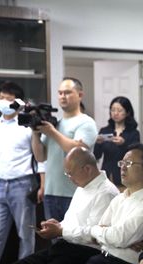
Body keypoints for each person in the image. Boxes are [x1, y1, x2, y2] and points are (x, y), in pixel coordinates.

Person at [0, 147, 119, 264]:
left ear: (87, 169)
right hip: (64, 245)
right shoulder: (83, 184)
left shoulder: (106, 193)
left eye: (70, 173)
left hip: (84, 252)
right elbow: (73, 221)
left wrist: (60, 231)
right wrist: (58, 225)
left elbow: (94, 235)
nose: (69, 177)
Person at [0, 81, 44, 264]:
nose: (4, 102)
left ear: (18, 102)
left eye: (9, 99)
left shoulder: (27, 125)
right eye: (1, 98)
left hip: (23, 184)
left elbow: (41, 158)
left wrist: (43, 184)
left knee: (26, 235)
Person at [31, 77, 97, 221]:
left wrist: (52, 132)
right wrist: (35, 133)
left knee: (74, 234)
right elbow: (40, 157)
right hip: (51, 192)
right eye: (60, 93)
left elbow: (77, 152)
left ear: (80, 95)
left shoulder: (86, 122)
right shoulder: (55, 124)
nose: (62, 96)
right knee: (53, 235)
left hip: (75, 192)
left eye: (67, 92)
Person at [93, 96, 140, 187]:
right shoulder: (104, 131)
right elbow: (97, 155)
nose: (115, 113)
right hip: (106, 174)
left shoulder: (133, 133)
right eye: (113, 110)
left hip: (125, 174)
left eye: (120, 110)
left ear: (127, 112)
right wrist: (98, 144)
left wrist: (123, 144)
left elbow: (135, 155)